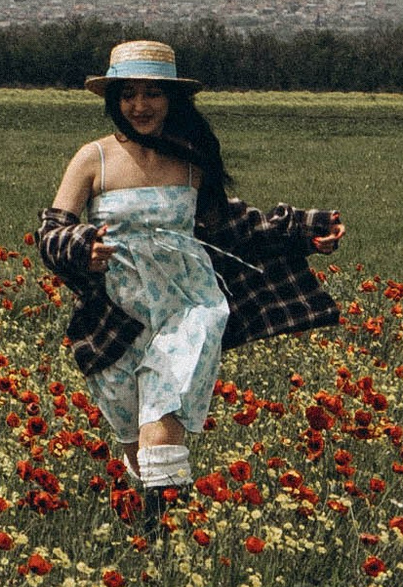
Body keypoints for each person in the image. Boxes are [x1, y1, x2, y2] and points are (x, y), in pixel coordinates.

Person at [37, 38, 346, 524]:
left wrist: (307, 230)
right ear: (114, 100)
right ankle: (152, 532)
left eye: (153, 93)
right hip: (118, 316)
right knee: (133, 438)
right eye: (128, 94)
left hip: (189, 306)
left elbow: (234, 227)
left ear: (172, 99)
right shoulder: (91, 160)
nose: (140, 105)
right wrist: (82, 249)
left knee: (163, 420)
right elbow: (51, 230)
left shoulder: (191, 159)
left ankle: (165, 539)